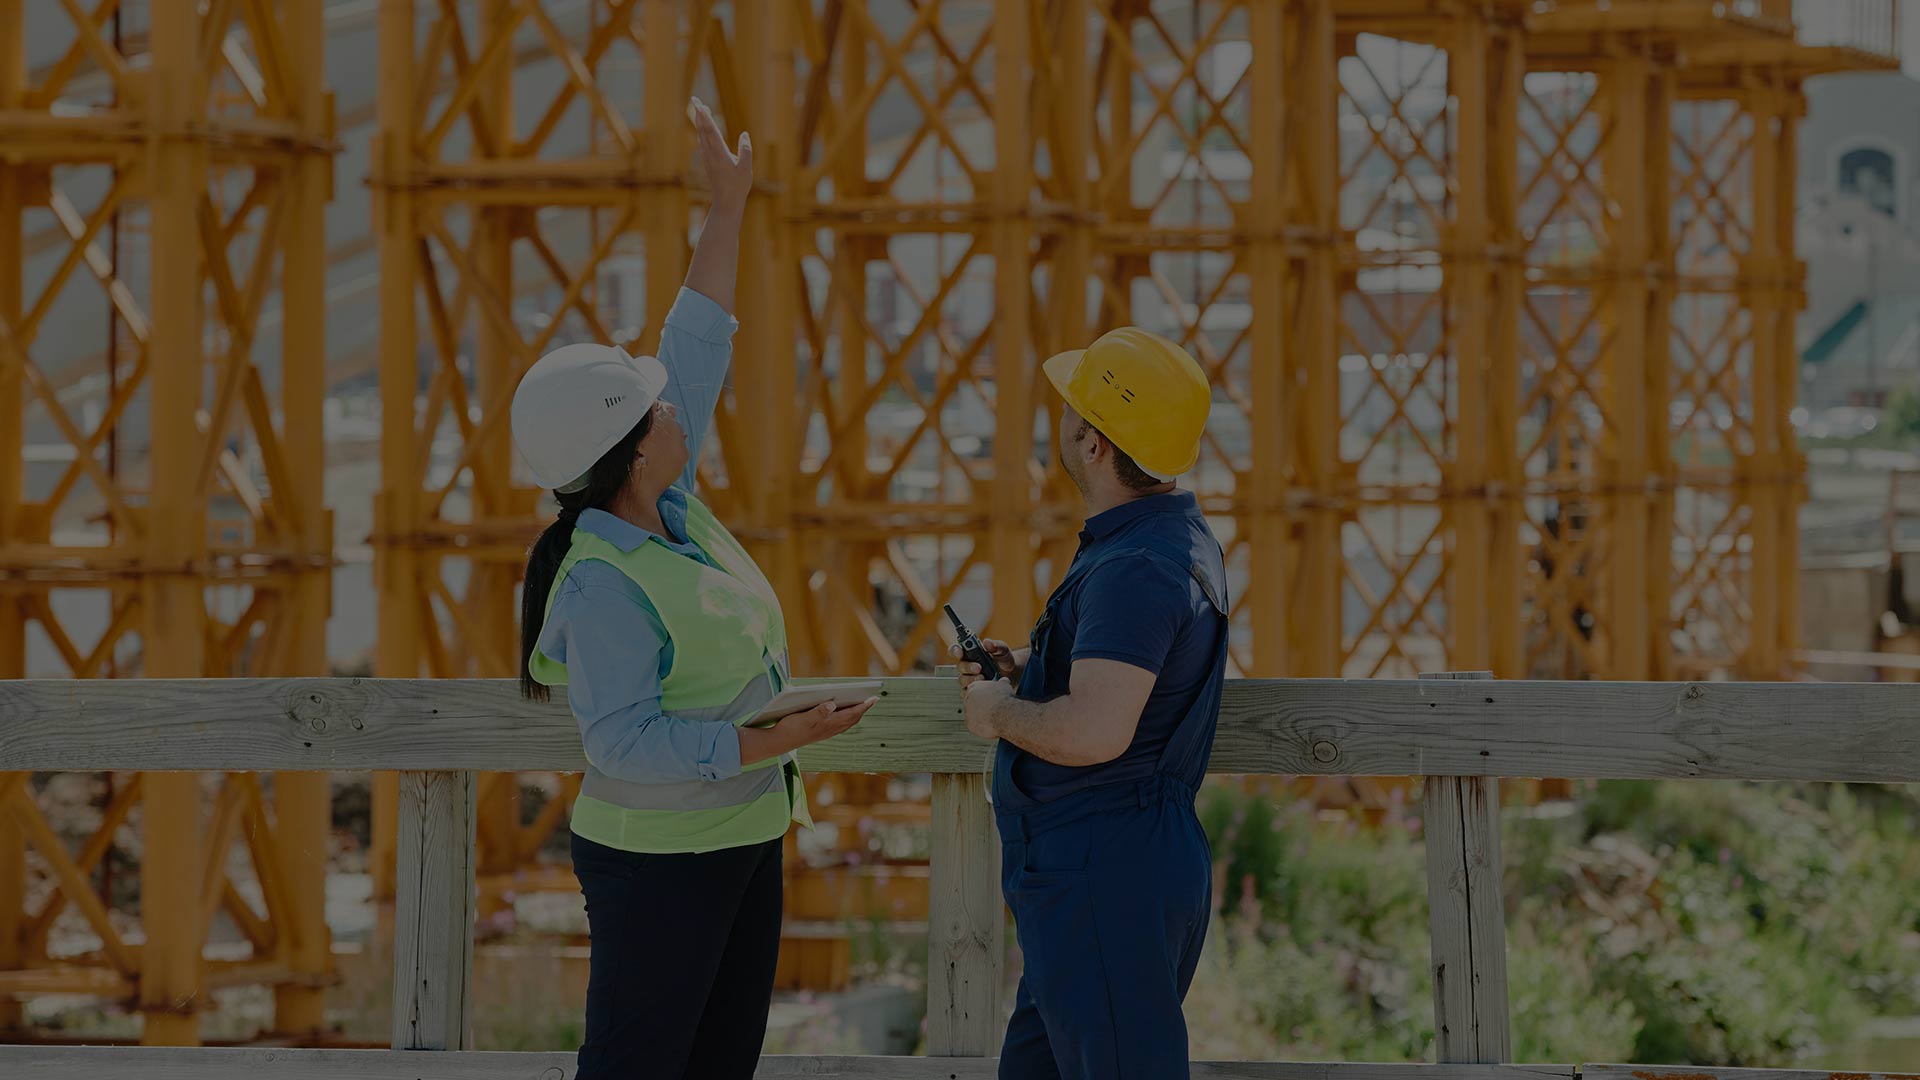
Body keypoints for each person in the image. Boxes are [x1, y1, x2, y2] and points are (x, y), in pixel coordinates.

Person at [511, 99, 877, 1080]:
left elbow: (698, 340)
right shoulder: (602, 585)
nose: (674, 401)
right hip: (658, 863)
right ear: (631, 454)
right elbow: (620, 740)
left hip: (745, 835)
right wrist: (771, 739)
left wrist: (729, 203)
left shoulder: (673, 508)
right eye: (653, 404)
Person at [951, 327, 1228, 1080]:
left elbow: (1099, 729)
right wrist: (1037, 669)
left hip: (1103, 869)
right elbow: (1132, 673)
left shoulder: (1137, 566)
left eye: (1073, 407)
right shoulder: (1166, 540)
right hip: (1103, 868)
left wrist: (997, 712)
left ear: (1094, 442)